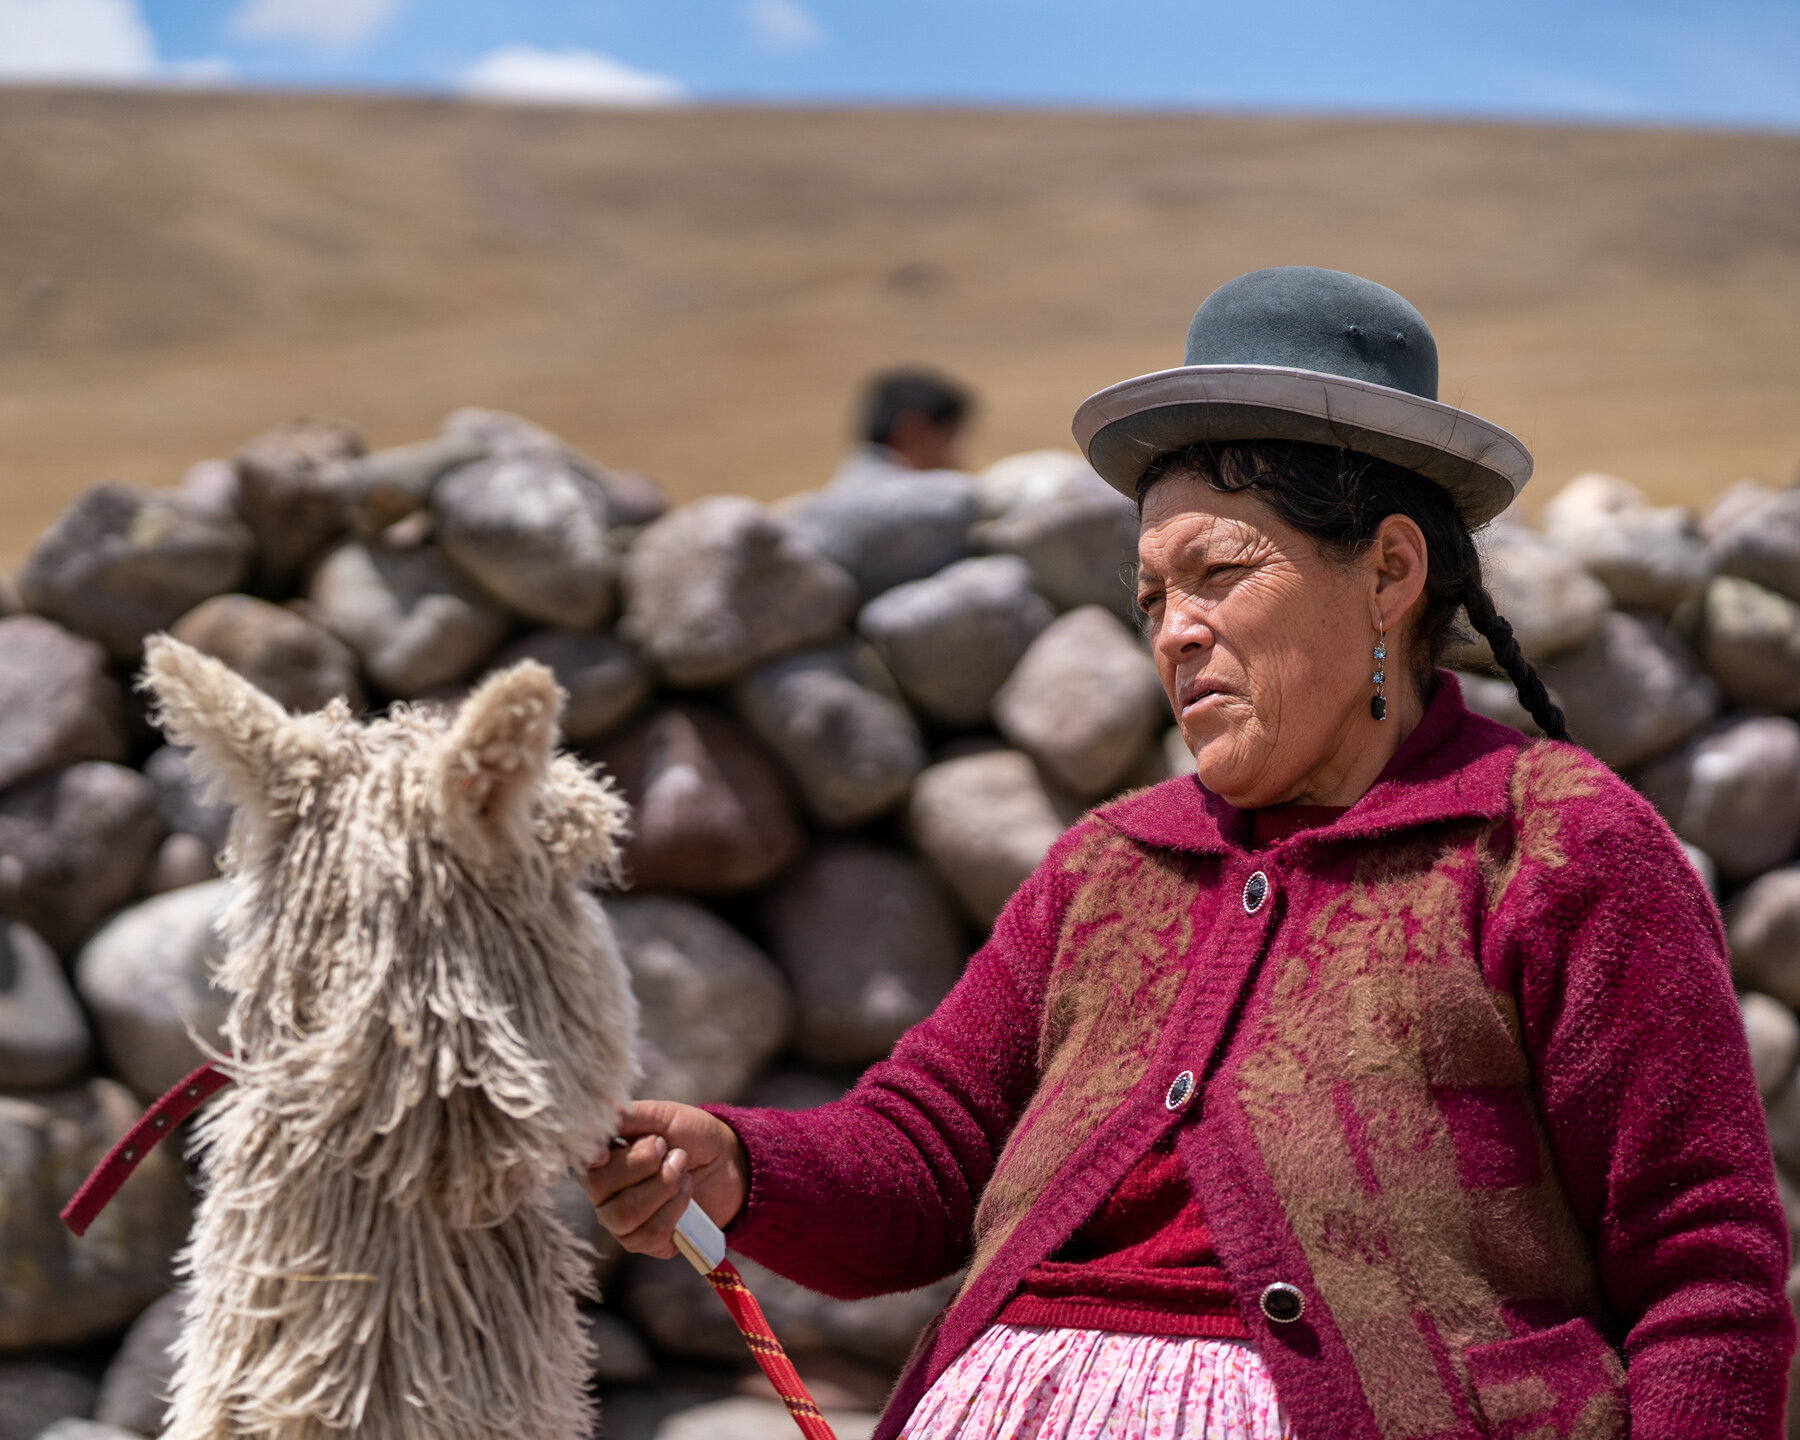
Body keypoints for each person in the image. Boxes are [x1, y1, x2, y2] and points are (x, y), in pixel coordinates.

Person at [586, 268, 1793, 1439]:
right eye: (1155, 593)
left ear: (1387, 573)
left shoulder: (1551, 845)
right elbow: (926, 1152)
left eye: (1219, 573)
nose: (1175, 632)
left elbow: (1705, 1276)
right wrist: (736, 1164)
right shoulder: (1109, 866)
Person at [831, 368, 973, 482]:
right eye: (947, 440)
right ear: (915, 432)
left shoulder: (851, 479)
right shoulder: (899, 495)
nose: (953, 458)